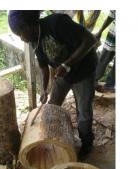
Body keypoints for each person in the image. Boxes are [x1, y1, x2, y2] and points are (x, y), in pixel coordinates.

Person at [8, 10, 98, 159]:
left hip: (84, 71)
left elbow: (90, 40)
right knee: (51, 105)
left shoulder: (57, 23)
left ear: (29, 25)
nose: (22, 39)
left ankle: (87, 142)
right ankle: (52, 136)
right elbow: (44, 68)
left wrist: (66, 65)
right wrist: (44, 90)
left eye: (20, 33)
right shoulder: (33, 40)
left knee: (84, 113)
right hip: (63, 73)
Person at [95, 10, 116, 92]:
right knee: (105, 57)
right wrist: (100, 31)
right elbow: (111, 16)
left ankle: (110, 85)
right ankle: (94, 79)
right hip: (114, 33)